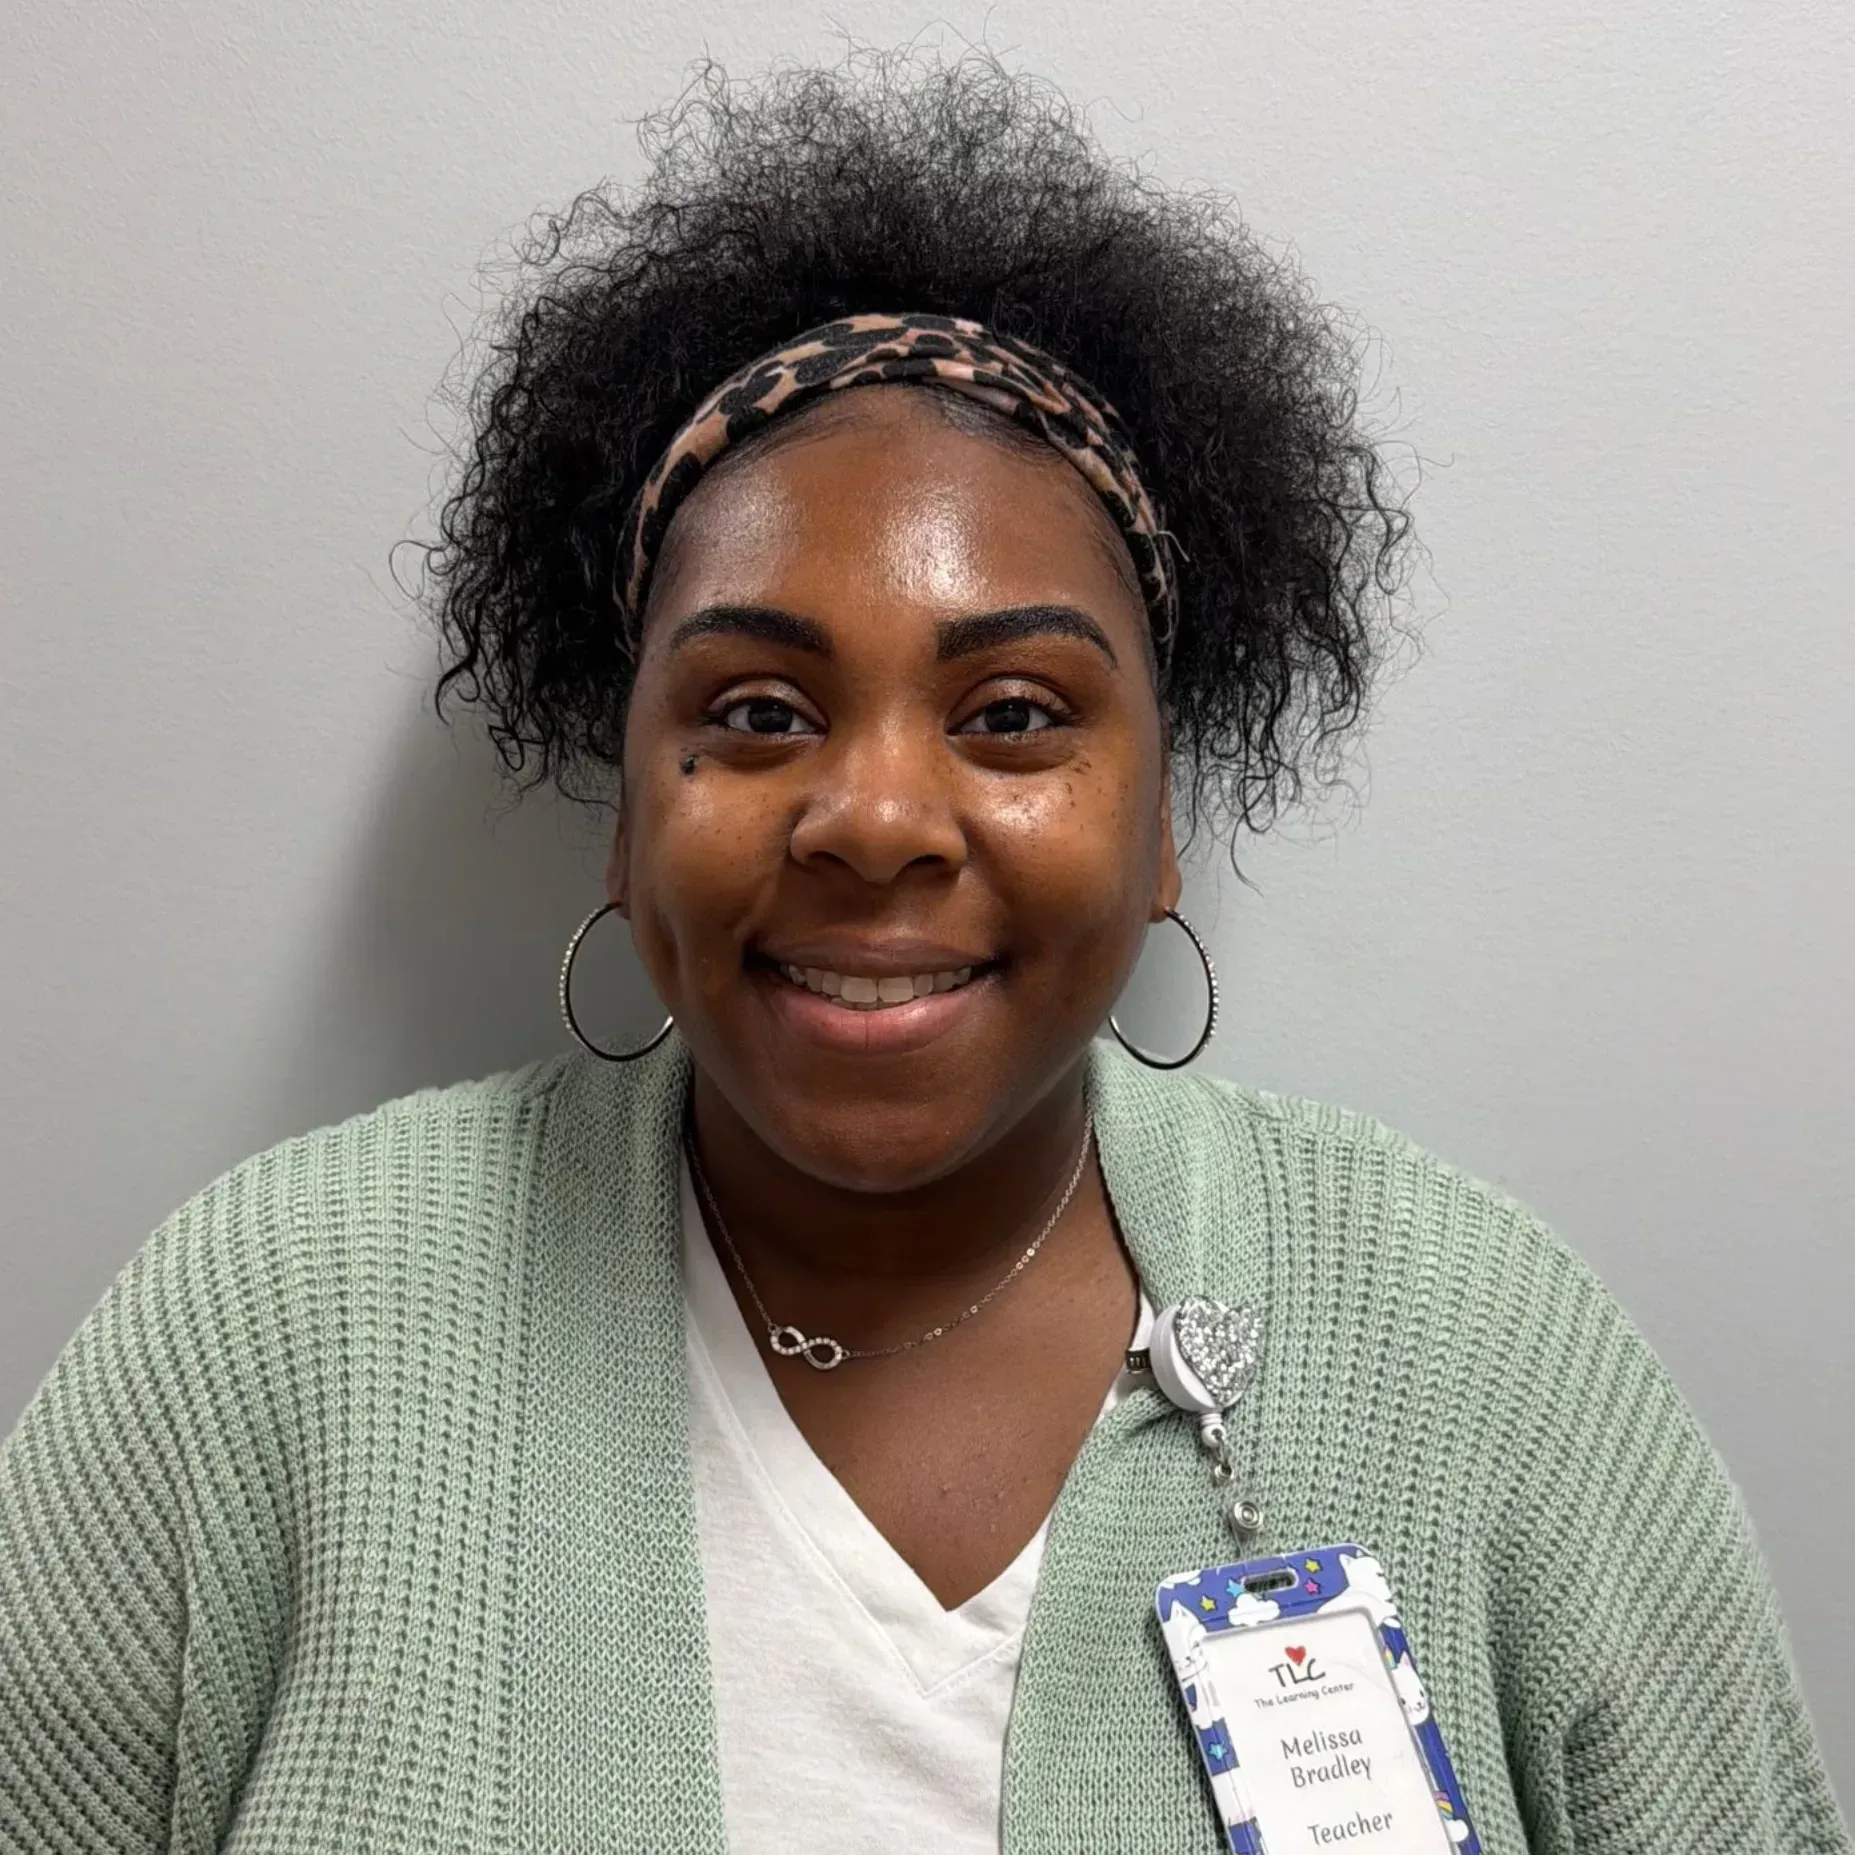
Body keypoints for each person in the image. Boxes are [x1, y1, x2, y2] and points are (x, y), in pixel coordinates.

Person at [0, 50, 1844, 1855]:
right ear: (626, 816)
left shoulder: (1486, 1357)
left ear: (1164, 824)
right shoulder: (266, 1335)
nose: (874, 818)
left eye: (1017, 711)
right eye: (758, 709)